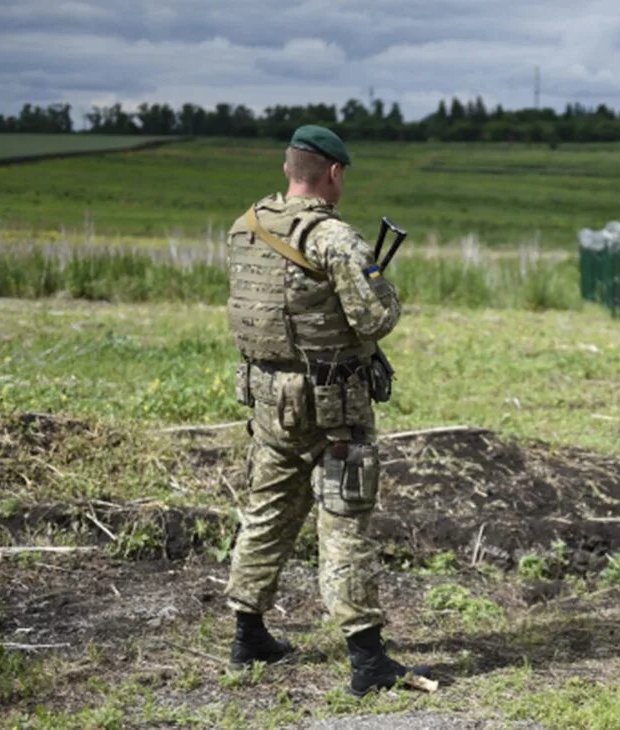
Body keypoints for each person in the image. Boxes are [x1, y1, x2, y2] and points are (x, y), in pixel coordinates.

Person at [222, 124, 426, 695]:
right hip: (332, 404)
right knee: (344, 520)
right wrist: (385, 289)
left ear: (290, 170)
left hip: (267, 398)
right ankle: (367, 660)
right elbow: (373, 319)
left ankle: (248, 636)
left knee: (267, 508)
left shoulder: (246, 227)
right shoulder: (335, 239)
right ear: (332, 174)